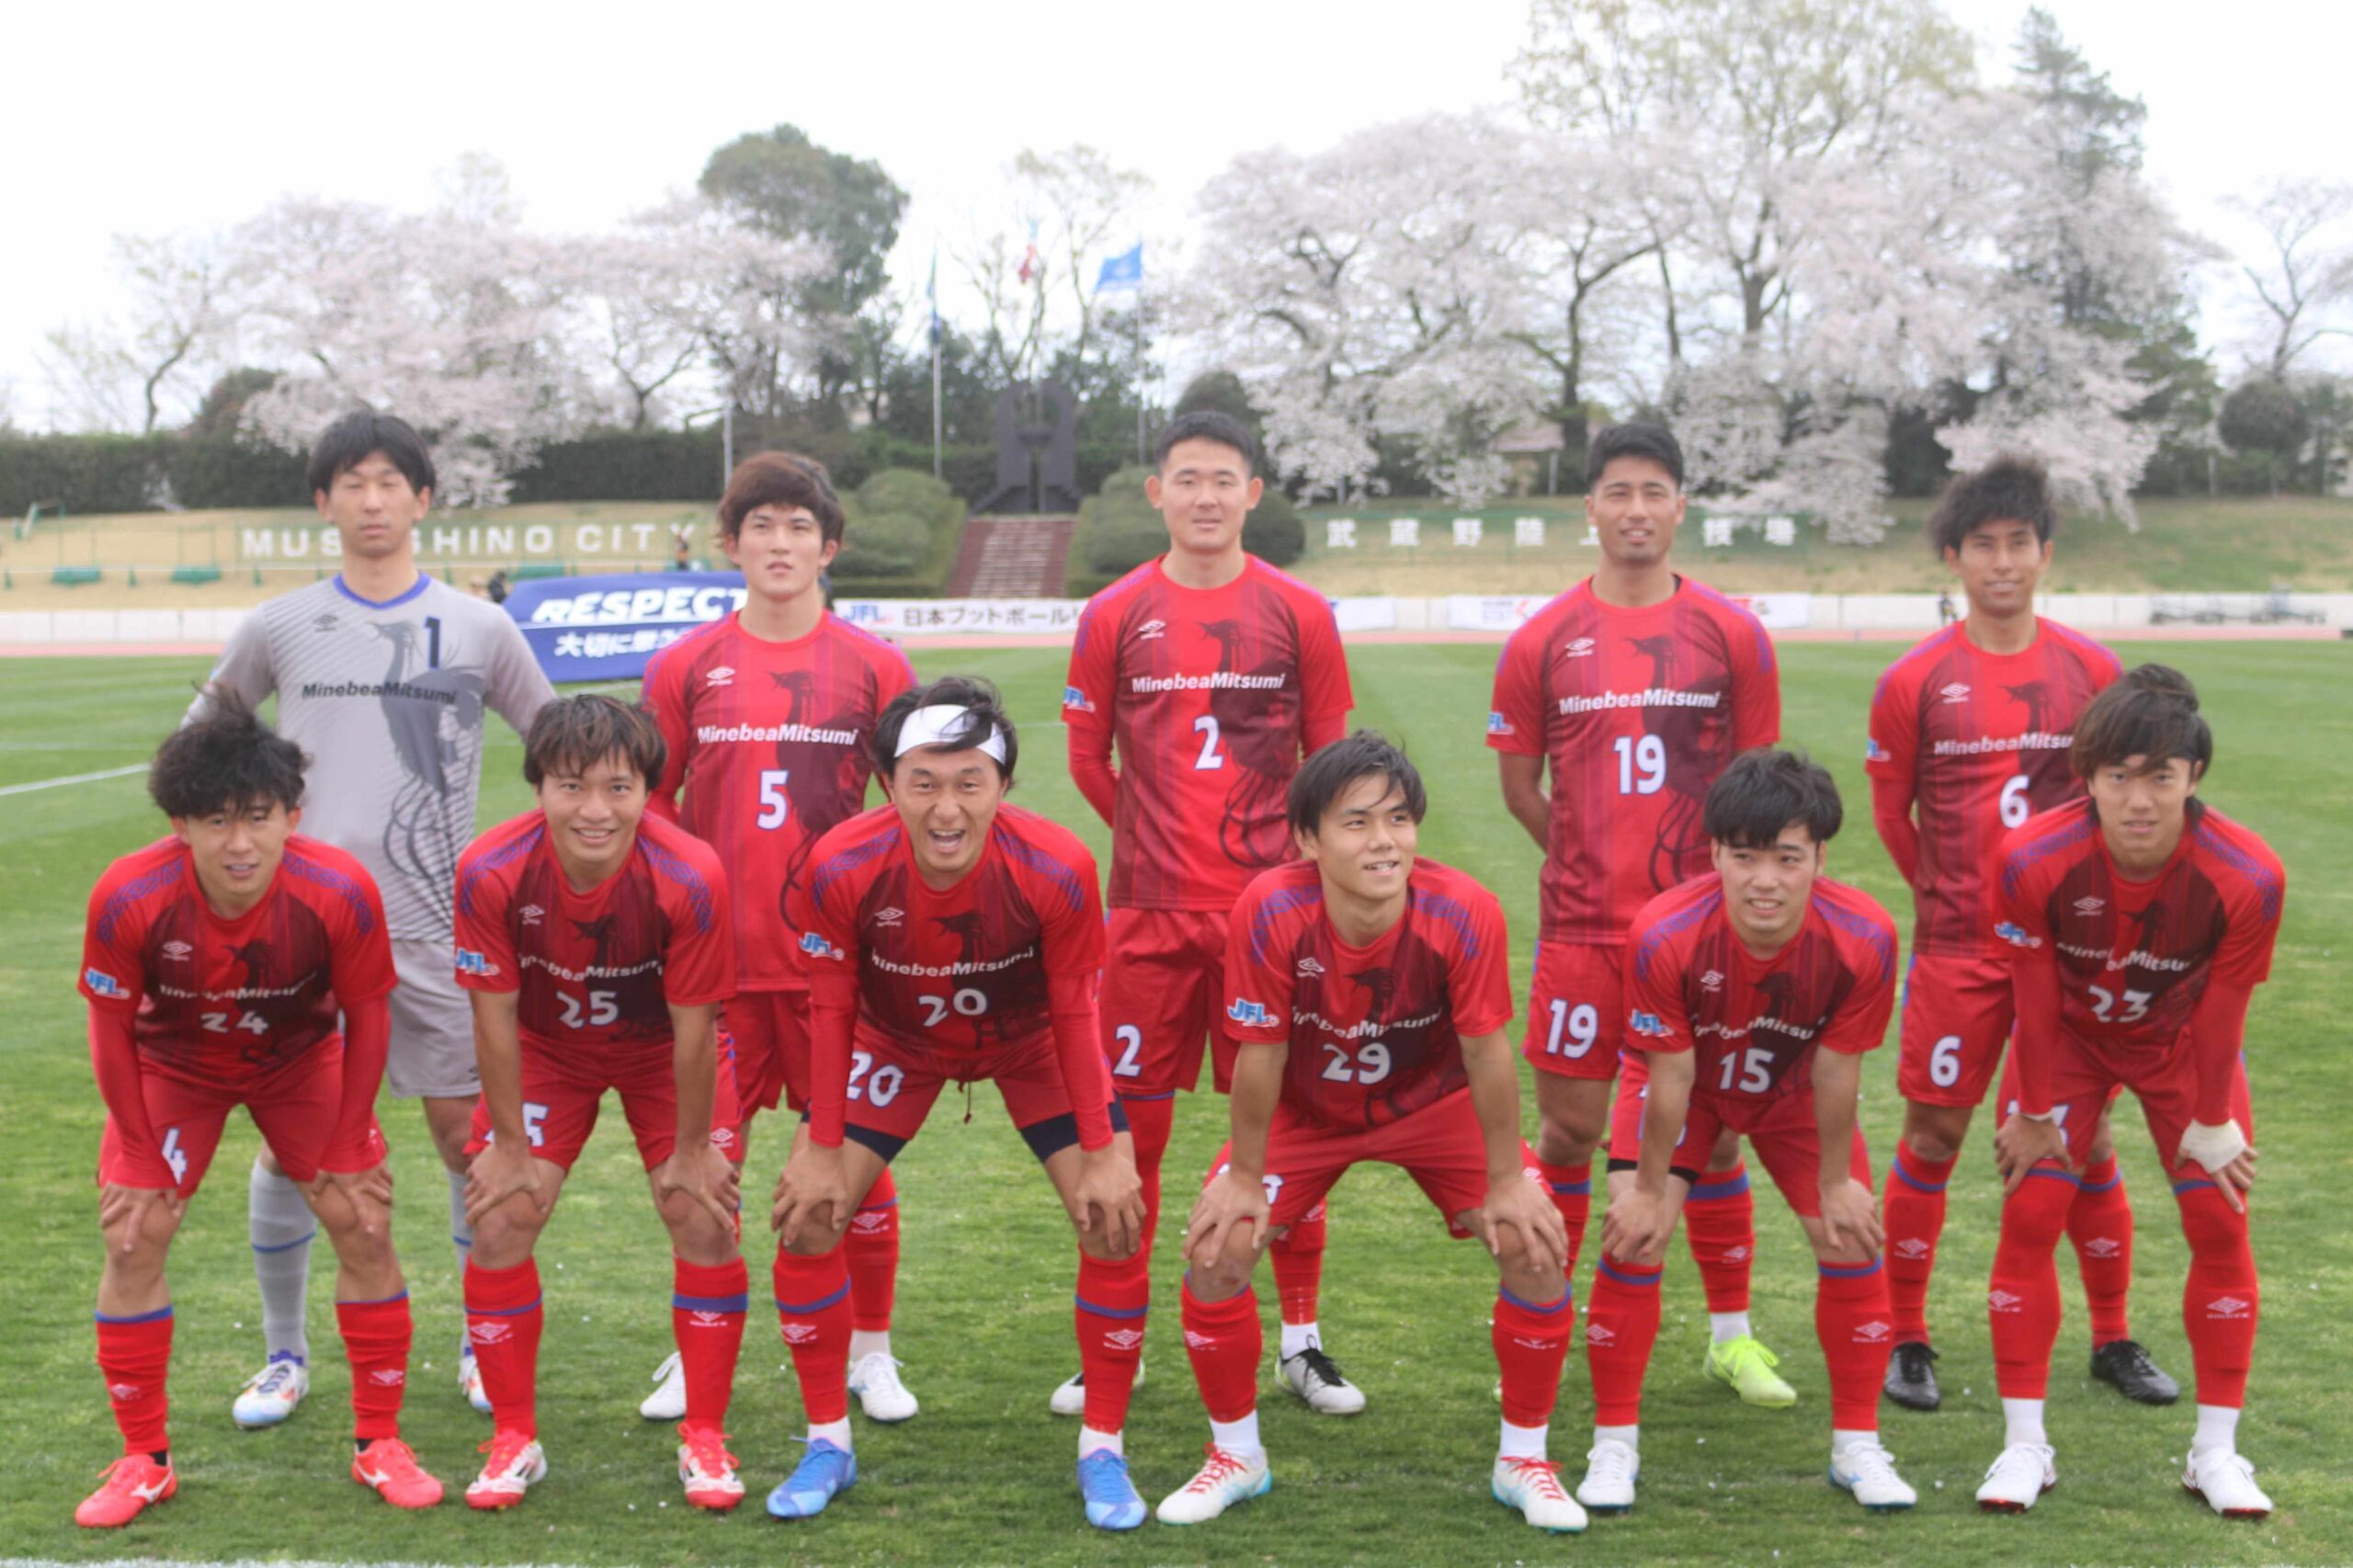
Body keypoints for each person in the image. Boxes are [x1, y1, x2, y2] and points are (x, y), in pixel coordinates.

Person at [193, 410, 552, 1427]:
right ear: (324, 501)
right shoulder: (280, 624)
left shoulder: (478, 628)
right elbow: (200, 750)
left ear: (423, 498)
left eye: (391, 481)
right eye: (351, 482)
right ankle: (284, 1353)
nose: (372, 500)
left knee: (463, 1136)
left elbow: (557, 745)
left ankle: (481, 1340)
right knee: (293, 1145)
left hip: (436, 927)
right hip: (301, 938)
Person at [1156, 733, 1581, 1533]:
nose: (1384, 841)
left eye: (1398, 819)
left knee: (1534, 1246)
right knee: (1218, 1250)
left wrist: (1506, 1181)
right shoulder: (1270, 908)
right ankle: (1237, 1457)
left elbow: (1487, 1051)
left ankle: (1524, 1460)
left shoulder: (1464, 909)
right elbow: (1260, 1051)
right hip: (1307, 1110)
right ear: (1308, 840)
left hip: (1432, 1106)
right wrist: (1244, 1176)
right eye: (1356, 822)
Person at [769, 677, 1149, 1528]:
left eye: (970, 782)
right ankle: (827, 1441)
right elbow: (829, 1009)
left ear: (1003, 785)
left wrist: (1101, 1149)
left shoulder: (1057, 864)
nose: (947, 808)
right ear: (888, 784)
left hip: (1031, 1043)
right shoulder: (841, 863)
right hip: (893, 1044)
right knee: (810, 1218)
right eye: (924, 783)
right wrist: (821, 1146)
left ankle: (1104, 1448)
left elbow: (1075, 1011)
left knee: (1114, 1220)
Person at [74, 697, 439, 1528]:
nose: (240, 844)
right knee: (132, 1233)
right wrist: (138, 1149)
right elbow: (109, 1030)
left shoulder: (338, 888)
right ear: (181, 825)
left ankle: (380, 1441)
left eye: (258, 818)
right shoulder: (129, 893)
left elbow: (369, 1016)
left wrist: (350, 1136)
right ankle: (143, 1459)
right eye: (217, 821)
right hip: (174, 1063)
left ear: (292, 817)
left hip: (298, 1059)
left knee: (363, 1219)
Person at [1062, 409, 1360, 1420]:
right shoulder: (1114, 612)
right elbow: (1085, 759)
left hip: (1269, 921)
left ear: (1251, 494)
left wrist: (1279, 873)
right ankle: (1118, 1343)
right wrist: (1151, 837)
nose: (1203, 495)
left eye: (1222, 479)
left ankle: (1302, 1343)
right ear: (1158, 492)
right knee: (1125, 1141)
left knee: (1287, 1137)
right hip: (1146, 920)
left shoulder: (1298, 612)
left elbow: (1331, 767)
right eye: (1185, 478)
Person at [1487, 421, 1790, 1410]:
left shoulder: (1732, 634)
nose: (1635, 509)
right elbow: (1521, 788)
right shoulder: (1542, 638)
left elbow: (1757, 792)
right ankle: (1554, 1311)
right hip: (1583, 931)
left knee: (1715, 1134)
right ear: (1590, 507)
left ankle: (1732, 1338)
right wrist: (1587, 858)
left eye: (1654, 491)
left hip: (1706, 937)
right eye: (1617, 491)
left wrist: (1694, 897)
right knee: (1570, 1131)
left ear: (1680, 506)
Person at [1867, 457, 2174, 1414]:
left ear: (2045, 553)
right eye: (1982, 546)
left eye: (2018, 544)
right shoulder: (1914, 678)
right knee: (1934, 1131)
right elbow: (1892, 815)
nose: (2001, 562)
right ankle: (1906, 1333)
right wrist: (1949, 894)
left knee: (2083, 1137)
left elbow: (2124, 798)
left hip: (2073, 951)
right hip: (1959, 949)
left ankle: (2112, 1334)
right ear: (1954, 558)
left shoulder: (2091, 671)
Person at [638, 452, 918, 1426]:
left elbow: (908, 808)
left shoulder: (877, 666)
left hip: (832, 974)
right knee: (700, 1173)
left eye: (800, 526)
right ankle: (698, 1346)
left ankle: (872, 1351)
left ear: (829, 545)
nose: (781, 542)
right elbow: (652, 803)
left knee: (855, 1174)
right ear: (731, 543)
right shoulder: (684, 666)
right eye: (761, 524)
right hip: (716, 974)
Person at [1977, 665, 2283, 1517]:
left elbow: (2224, 1007)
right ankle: (2024, 1446)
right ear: (2087, 776)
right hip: (2070, 1039)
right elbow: (2034, 997)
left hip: (2180, 1045)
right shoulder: (2031, 857)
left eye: (2161, 776)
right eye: (2119, 776)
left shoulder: (2248, 873)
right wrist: (2035, 1110)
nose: (2139, 800)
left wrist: (2212, 1119)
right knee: (2031, 1212)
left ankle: (2216, 1453)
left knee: (2220, 1219)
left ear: (2195, 776)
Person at [1580, 749, 1915, 1514]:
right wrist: (1645, 1191)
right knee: (1635, 1236)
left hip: (1794, 1091)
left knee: (1851, 1238)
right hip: (1689, 1087)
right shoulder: (1665, 931)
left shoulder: (1864, 934)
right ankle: (1613, 1444)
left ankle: (1857, 1446)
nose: (1765, 880)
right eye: (1745, 857)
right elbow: (1671, 1077)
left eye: (1787, 858)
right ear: (1715, 855)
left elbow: (1837, 1068)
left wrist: (1837, 1183)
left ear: (1820, 858)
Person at [453, 696, 745, 1511]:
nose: (595, 810)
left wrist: (693, 1151)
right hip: (547, 1048)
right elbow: (493, 1017)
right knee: (503, 1215)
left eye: (618, 788)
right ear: (538, 787)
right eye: (571, 786)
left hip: (660, 1051)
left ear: (648, 790)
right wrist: (510, 1148)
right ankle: (512, 1437)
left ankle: (706, 1436)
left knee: (700, 1213)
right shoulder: (491, 867)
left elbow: (695, 1029)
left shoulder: (689, 872)